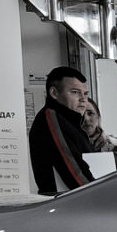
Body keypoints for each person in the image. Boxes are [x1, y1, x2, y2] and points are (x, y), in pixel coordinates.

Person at [28, 66, 96, 194]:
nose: (83, 99)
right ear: (54, 93)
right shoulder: (51, 118)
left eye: (85, 94)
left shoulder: (71, 122)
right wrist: (100, 194)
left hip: (77, 200)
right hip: (68, 202)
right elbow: (74, 171)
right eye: (75, 92)